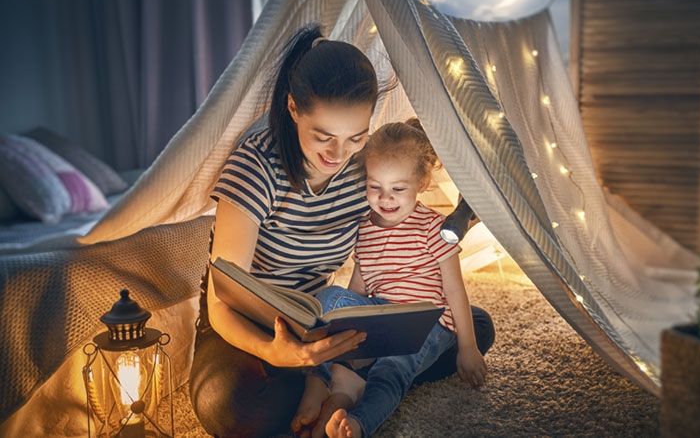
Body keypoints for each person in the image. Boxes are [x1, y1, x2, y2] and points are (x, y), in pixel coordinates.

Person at [189, 24, 495, 438]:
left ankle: (342, 383)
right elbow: (222, 302)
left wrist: (461, 213)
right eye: (324, 137)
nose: (339, 154)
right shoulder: (256, 168)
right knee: (235, 409)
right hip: (248, 325)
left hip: (319, 316)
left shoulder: (362, 170)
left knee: (472, 328)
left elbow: (403, 224)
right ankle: (346, 379)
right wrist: (275, 351)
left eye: (356, 137)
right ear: (294, 108)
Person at [296, 118, 489, 438]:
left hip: (425, 323)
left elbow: (455, 292)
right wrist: (343, 321)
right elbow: (358, 287)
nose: (385, 199)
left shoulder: (434, 228)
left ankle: (359, 424)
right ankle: (320, 384)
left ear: (421, 184)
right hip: (382, 315)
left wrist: (467, 347)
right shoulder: (366, 228)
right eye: (375, 187)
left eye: (398, 189)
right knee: (328, 299)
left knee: (392, 370)